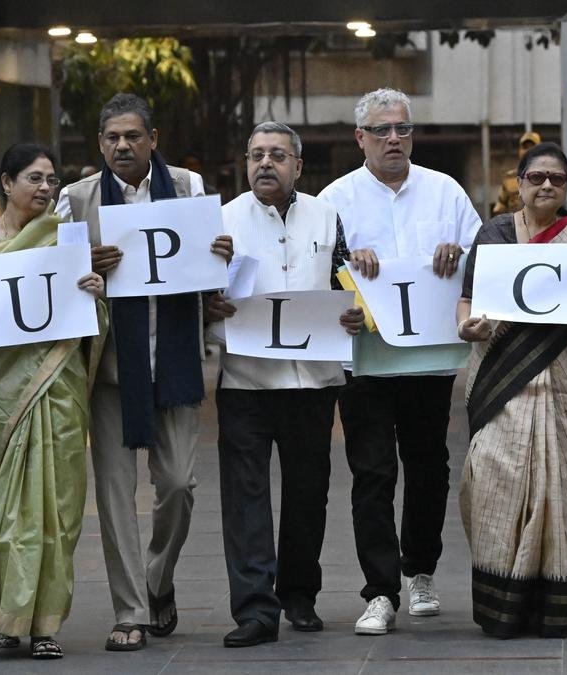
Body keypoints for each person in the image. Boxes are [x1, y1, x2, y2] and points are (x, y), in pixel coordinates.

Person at [55, 93, 231, 651]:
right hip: (110, 367)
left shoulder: (188, 188)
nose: (122, 146)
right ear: (100, 144)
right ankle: (130, 610)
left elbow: (211, 269)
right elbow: (55, 279)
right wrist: (85, 268)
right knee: (113, 492)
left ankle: (157, 577)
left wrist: (222, 255)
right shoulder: (76, 198)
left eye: (133, 136)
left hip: (175, 361)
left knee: (178, 483)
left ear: (153, 140)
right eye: (111, 138)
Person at [318, 88, 482, 635]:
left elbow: (483, 258)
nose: (394, 139)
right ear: (360, 137)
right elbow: (317, 275)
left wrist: (459, 255)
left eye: (403, 129)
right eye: (383, 130)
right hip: (365, 363)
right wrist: (345, 263)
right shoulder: (335, 199)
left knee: (429, 470)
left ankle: (421, 570)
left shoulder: (446, 192)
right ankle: (380, 590)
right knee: (372, 474)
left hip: (429, 362)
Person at [0, 143, 107, 659]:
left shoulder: (67, 241)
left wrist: (96, 291)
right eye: (34, 178)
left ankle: (46, 626)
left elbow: (90, 321)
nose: (45, 188)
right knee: (8, 512)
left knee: (55, 510)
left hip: (57, 388)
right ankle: (6, 620)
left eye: (51, 180)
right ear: (6, 183)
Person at [215, 122, 365, 647]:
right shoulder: (222, 219)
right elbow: (203, 290)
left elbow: (347, 284)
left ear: (298, 166)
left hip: (312, 383)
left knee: (307, 493)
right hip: (245, 383)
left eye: (277, 155)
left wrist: (354, 315)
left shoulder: (328, 216)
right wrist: (209, 307)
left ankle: (300, 595)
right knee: (245, 498)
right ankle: (256, 610)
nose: (265, 164)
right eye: (256, 154)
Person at [456, 142, 567, 638]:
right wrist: (467, 327)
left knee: (561, 486)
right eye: (537, 177)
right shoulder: (494, 234)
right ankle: (504, 605)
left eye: (557, 179)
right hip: (502, 375)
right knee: (496, 478)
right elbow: (466, 298)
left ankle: (561, 606)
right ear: (519, 182)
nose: (547, 185)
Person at [492, 131, 541, 215]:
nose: (528, 151)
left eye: (532, 147)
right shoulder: (510, 177)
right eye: (525, 147)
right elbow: (500, 206)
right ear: (520, 151)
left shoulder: (547, 176)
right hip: (514, 225)